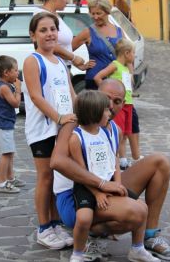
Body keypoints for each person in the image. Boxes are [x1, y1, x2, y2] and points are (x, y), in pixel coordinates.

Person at [51, 79, 170, 261]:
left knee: (160, 162)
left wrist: (116, 186)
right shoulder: (75, 124)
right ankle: (90, 233)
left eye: (117, 101)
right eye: (106, 99)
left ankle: (150, 235)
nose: (111, 106)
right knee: (136, 212)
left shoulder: (115, 129)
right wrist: (102, 185)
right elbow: (57, 162)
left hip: (105, 188)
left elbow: (112, 165)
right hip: (75, 195)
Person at [68, 90, 159, 262]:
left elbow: (114, 159)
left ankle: (137, 248)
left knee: (142, 207)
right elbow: (81, 172)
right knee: (84, 218)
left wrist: (118, 184)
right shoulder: (76, 138)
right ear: (94, 113)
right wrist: (98, 193)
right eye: (106, 110)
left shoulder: (107, 133)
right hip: (88, 187)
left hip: (109, 182)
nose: (110, 114)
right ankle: (78, 253)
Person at [23, 12, 77, 250]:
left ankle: (55, 224)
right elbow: (35, 95)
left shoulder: (59, 62)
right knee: (45, 178)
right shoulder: (33, 61)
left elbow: (71, 94)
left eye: (53, 29)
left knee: (57, 179)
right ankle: (44, 228)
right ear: (33, 35)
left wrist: (79, 116)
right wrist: (58, 117)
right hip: (43, 130)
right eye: (43, 30)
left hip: (63, 128)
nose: (49, 34)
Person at [94, 38, 142, 169]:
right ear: (126, 53)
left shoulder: (126, 68)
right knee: (118, 132)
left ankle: (123, 158)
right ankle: (120, 159)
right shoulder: (115, 65)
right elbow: (98, 77)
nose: (134, 56)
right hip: (119, 106)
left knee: (125, 133)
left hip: (128, 104)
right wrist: (107, 95)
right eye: (133, 53)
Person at [72, 0, 126, 90]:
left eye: (99, 13)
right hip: (94, 82)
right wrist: (80, 65)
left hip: (116, 80)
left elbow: (126, 55)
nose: (95, 17)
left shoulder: (119, 31)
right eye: (93, 14)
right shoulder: (88, 32)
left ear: (107, 12)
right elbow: (66, 50)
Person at [0, 55, 25, 194]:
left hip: (7, 124)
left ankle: (10, 178)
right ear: (6, 72)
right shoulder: (4, 88)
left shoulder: (6, 84)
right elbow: (16, 103)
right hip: (3, 125)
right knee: (6, 154)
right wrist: (18, 89)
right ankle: (1, 183)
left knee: (10, 153)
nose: (18, 73)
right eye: (16, 70)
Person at [34, 0, 91, 71]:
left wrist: (75, 63)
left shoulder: (53, 14)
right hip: (53, 68)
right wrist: (73, 58)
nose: (67, 1)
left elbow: (63, 47)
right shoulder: (43, 15)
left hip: (62, 66)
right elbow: (49, 44)